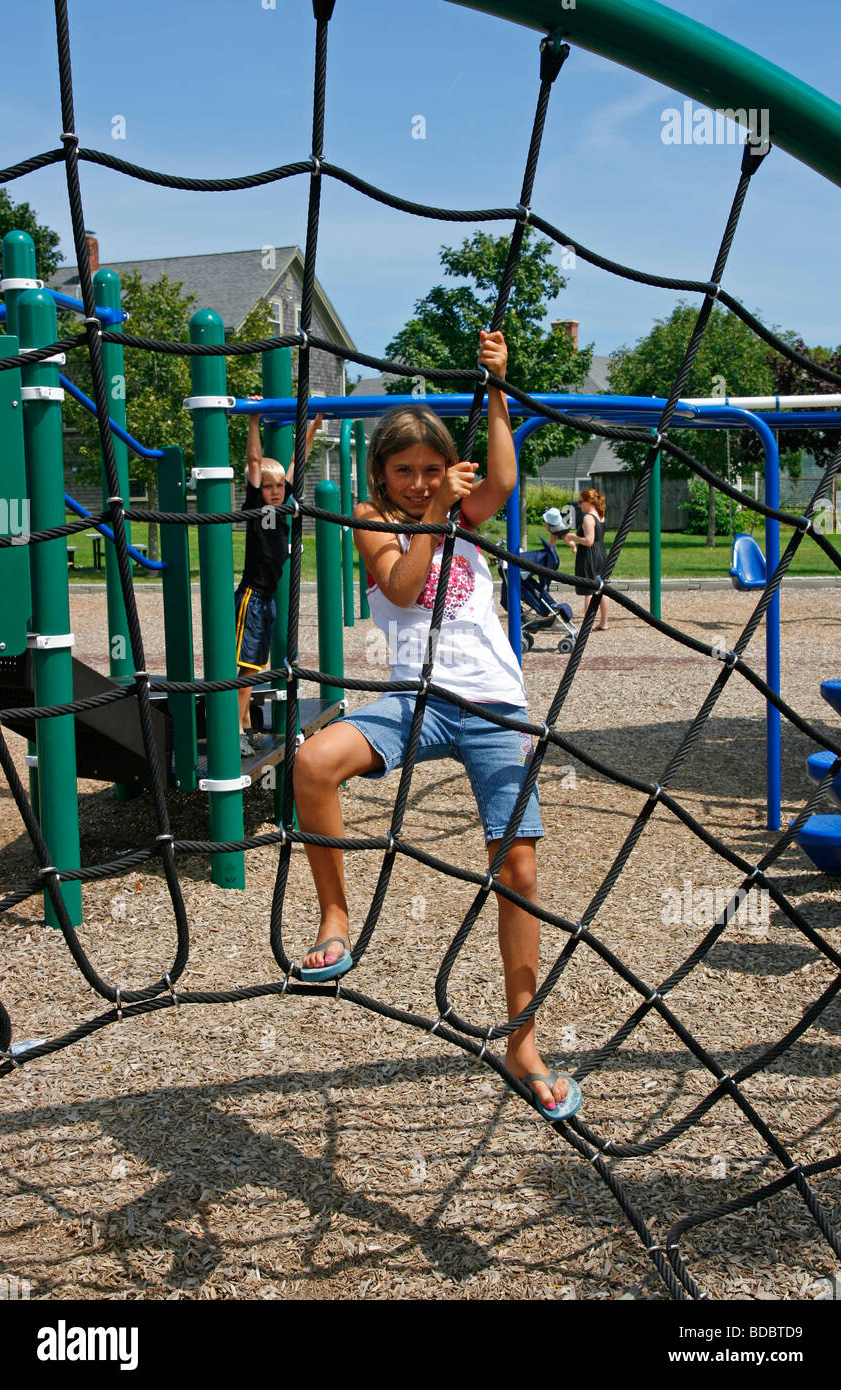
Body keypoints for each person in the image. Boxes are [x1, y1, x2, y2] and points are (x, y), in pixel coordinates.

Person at [293, 330, 581, 1122]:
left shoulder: (467, 506)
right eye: (405, 471)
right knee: (314, 764)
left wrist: (496, 387)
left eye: (430, 470)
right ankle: (335, 915)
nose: (419, 483)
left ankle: (523, 1041)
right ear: (382, 475)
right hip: (411, 700)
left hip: (492, 705)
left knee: (518, 868)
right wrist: (443, 511)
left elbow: (504, 475)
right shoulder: (371, 519)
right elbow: (409, 586)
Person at [236, 404, 322, 755]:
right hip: (252, 596)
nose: (274, 491)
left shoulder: (283, 504)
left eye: (278, 487)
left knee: (255, 666)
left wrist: (314, 425)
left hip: (266, 598)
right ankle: (236, 730)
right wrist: (254, 420)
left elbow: (295, 462)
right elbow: (256, 463)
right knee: (247, 667)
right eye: (268, 486)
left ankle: (244, 724)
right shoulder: (259, 507)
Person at [565, 488, 610, 629]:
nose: (579, 505)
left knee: (588, 590)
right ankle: (604, 622)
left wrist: (573, 537)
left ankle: (587, 625)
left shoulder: (588, 518)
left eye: (581, 502)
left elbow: (589, 541)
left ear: (589, 502)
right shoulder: (601, 516)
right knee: (603, 588)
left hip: (589, 555)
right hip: (602, 552)